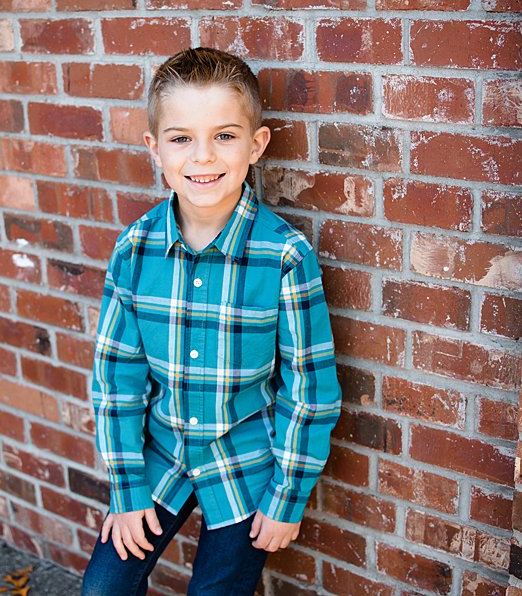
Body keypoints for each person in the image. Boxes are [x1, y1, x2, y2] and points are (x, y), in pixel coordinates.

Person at [82, 47, 341, 596]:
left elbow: (310, 390)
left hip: (245, 462)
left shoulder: (285, 256)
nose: (203, 157)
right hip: (159, 455)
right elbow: (116, 380)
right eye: (181, 138)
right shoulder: (134, 249)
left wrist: (287, 498)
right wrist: (126, 491)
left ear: (256, 144)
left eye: (224, 135)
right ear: (155, 149)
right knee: (104, 586)